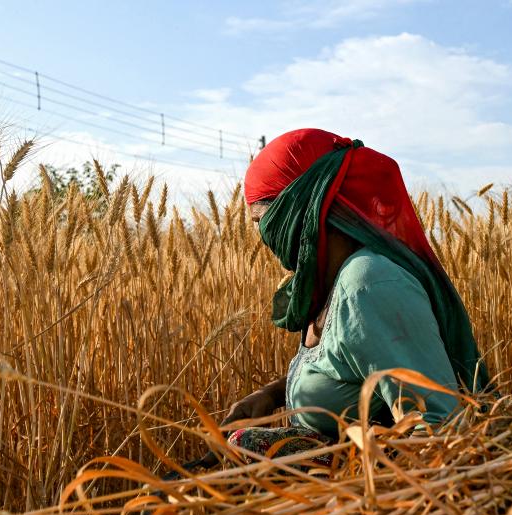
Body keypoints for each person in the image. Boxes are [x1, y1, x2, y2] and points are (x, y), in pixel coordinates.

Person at [196, 128, 493, 469]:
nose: (262, 238)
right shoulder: (331, 280)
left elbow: (437, 428)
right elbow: (354, 367)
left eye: (262, 221)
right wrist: (274, 394)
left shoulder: (367, 284)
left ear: (297, 209)